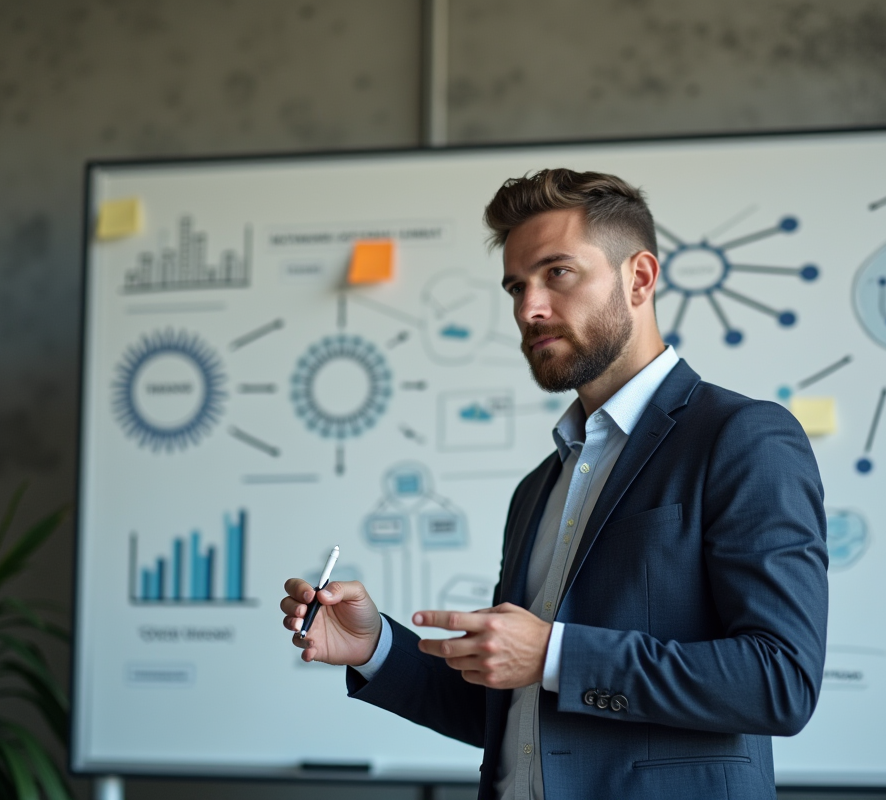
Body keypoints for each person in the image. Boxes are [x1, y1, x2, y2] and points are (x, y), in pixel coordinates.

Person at [280, 169, 828, 800]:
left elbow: (780, 681)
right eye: (516, 286)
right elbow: (512, 713)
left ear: (640, 278)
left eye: (557, 273)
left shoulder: (742, 438)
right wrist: (375, 646)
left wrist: (555, 657)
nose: (528, 308)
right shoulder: (539, 485)